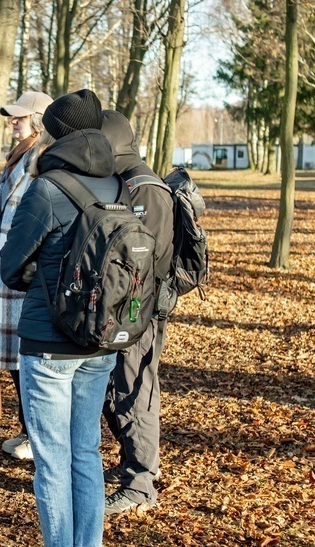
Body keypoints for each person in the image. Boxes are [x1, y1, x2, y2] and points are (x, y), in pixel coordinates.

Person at [0, 89, 122, 547]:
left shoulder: (47, 187)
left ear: (56, 132)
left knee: (52, 456)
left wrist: (41, 274)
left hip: (49, 342)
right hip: (102, 340)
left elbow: (12, 266)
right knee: (86, 453)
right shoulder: (119, 184)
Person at [99, 110, 175, 516]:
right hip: (122, 308)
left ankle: (141, 482)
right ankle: (133, 464)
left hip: (139, 311)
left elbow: (151, 257)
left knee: (136, 392)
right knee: (118, 390)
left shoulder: (146, 189)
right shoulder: (125, 182)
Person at [0, 90, 53, 461]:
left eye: (20, 117)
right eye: (13, 117)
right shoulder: (17, 156)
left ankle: (35, 436)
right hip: (4, 273)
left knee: (28, 360)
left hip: (22, 276)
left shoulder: (41, 158)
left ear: (38, 121)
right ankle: (29, 431)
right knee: (14, 361)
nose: (14, 122)